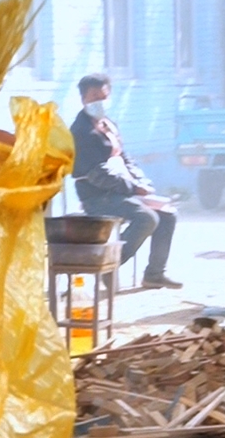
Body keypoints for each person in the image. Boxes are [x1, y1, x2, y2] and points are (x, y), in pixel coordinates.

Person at [69, 74, 179, 290]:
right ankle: (109, 265)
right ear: (83, 99)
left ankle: (154, 274)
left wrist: (142, 182)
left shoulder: (108, 125)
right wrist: (133, 188)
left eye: (104, 97)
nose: (100, 102)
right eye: (94, 97)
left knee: (167, 215)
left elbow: (124, 157)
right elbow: (97, 174)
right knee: (146, 218)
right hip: (97, 197)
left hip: (122, 191)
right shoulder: (81, 131)